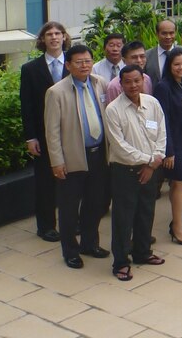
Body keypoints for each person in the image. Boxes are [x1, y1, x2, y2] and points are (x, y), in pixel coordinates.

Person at [45, 43, 109, 269]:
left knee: (95, 203)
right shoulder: (56, 92)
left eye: (88, 61)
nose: (85, 66)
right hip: (72, 158)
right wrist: (57, 161)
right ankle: (70, 250)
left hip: (99, 154)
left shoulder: (100, 83)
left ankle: (90, 244)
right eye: (79, 62)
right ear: (69, 65)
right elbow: (51, 132)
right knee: (69, 207)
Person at [105, 63, 167, 281]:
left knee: (146, 212)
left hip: (151, 169)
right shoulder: (113, 109)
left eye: (137, 80)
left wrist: (153, 163)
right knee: (123, 217)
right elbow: (119, 146)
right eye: (128, 81)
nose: (133, 85)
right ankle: (121, 262)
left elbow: (162, 133)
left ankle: (142, 253)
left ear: (143, 81)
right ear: (120, 84)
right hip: (125, 171)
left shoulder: (152, 103)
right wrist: (149, 160)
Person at [20, 20, 71, 243]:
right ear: (43, 40)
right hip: (43, 134)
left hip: (72, 132)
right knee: (45, 182)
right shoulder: (30, 69)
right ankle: (46, 226)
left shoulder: (74, 64)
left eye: (57, 33)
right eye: (49, 34)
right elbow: (27, 106)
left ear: (64, 37)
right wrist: (30, 137)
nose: (53, 37)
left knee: (72, 180)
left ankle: (71, 222)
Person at [153, 48, 182, 246]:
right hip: (176, 144)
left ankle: (175, 221)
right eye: (177, 64)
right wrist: (168, 151)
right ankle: (178, 226)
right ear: (169, 66)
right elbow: (163, 121)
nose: (181, 68)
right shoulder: (163, 87)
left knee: (179, 184)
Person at [145, 19, 178, 84]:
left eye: (171, 33)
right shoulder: (146, 56)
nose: (168, 37)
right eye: (164, 33)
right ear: (157, 34)